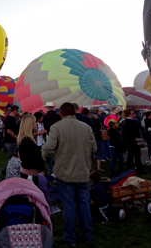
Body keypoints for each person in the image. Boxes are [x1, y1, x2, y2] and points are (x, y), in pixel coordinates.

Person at [42, 102, 97, 246]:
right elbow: (94, 148)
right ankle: (87, 236)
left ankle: (70, 238)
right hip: (83, 172)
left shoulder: (57, 127)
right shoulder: (86, 128)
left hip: (65, 173)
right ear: (74, 112)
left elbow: (48, 148)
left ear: (61, 113)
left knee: (69, 206)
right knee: (84, 204)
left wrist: (47, 159)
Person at [124, 108, 146, 175]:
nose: (134, 115)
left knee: (130, 155)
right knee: (137, 156)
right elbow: (142, 128)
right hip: (135, 140)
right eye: (133, 113)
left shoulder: (124, 122)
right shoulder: (133, 122)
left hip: (128, 140)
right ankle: (139, 169)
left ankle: (129, 169)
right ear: (129, 114)